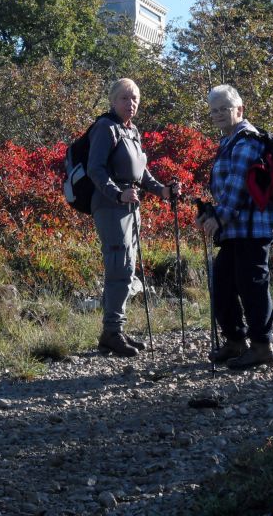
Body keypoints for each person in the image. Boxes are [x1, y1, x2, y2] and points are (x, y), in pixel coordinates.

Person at [88, 78, 179, 357]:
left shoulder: (133, 131)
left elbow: (142, 173)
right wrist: (118, 194)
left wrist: (162, 190)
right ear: (113, 101)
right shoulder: (106, 128)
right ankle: (112, 333)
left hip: (130, 207)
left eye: (135, 98)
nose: (131, 104)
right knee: (120, 267)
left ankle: (115, 331)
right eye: (125, 98)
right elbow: (95, 169)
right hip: (110, 207)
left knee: (127, 268)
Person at [195, 85, 273, 369]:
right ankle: (235, 342)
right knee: (222, 284)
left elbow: (237, 186)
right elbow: (226, 190)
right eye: (214, 110)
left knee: (252, 287)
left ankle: (261, 346)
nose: (218, 114)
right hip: (234, 230)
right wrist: (212, 212)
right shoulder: (227, 141)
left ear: (239, 110)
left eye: (224, 109)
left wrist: (219, 216)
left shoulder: (246, 140)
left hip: (254, 229)